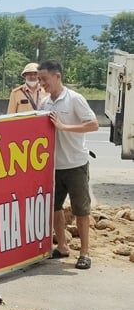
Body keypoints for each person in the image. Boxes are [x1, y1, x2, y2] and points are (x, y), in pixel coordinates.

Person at [37, 60, 99, 270]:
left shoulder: (74, 99)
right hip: (53, 167)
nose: (42, 84)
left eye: (44, 79)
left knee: (81, 209)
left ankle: (85, 252)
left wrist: (64, 127)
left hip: (75, 165)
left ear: (57, 76)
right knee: (54, 208)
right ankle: (62, 246)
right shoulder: (45, 104)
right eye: (39, 80)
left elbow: (93, 124)